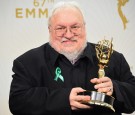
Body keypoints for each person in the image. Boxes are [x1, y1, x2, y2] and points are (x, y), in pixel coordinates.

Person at [9, 1, 135, 115]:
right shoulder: (27, 62)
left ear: (84, 27)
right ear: (50, 30)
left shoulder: (113, 58)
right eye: (60, 28)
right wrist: (63, 99)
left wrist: (114, 88)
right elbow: (17, 103)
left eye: (75, 27)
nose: (68, 34)